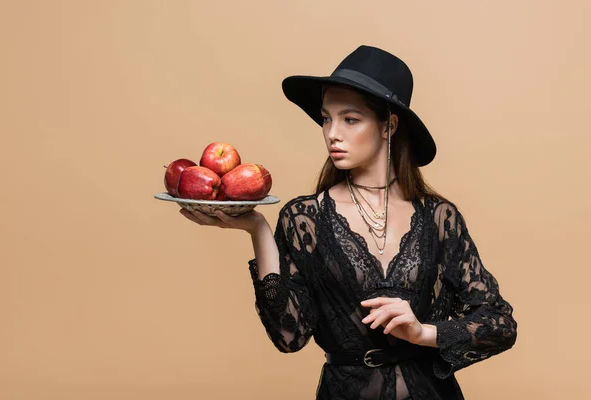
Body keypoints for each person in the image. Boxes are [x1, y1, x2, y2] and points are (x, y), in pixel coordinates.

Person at [179, 45, 518, 400]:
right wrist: (258, 230)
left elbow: (499, 324)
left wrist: (422, 333)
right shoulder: (305, 218)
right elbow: (289, 336)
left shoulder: (439, 217)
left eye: (350, 119)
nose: (332, 133)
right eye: (327, 118)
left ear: (389, 125)